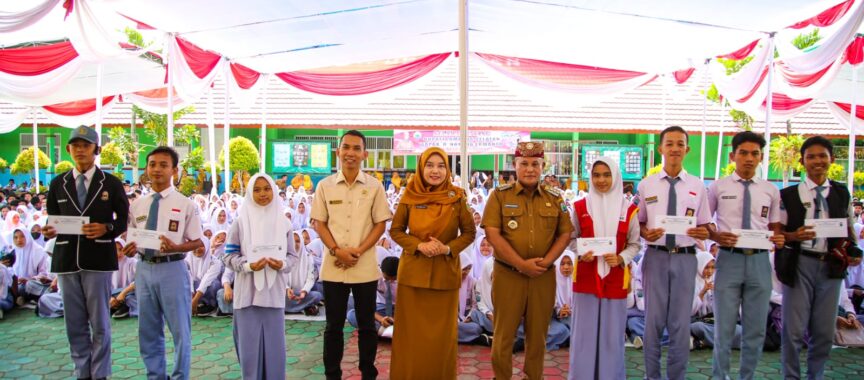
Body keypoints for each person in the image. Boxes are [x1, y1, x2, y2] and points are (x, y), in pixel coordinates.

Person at [42, 125, 130, 380]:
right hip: (67, 259)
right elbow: (53, 219)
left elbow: (124, 220)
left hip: (98, 259)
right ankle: (82, 372)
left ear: (96, 150)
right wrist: (49, 231)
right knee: (74, 323)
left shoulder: (111, 183)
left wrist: (107, 228)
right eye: (76, 146)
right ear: (68, 149)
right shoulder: (58, 183)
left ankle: (100, 373)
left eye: (86, 145)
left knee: (100, 322)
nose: (80, 150)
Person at [481, 141, 574, 379]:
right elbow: (492, 233)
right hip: (508, 275)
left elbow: (565, 233)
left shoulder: (555, 198)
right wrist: (521, 265)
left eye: (535, 164)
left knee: (538, 335)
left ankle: (534, 376)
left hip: (543, 276)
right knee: (503, 335)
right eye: (524, 164)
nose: (530, 169)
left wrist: (546, 262)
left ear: (543, 165)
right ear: (515, 165)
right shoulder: (499, 196)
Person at [775, 136, 863, 379]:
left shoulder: (841, 193)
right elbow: (778, 234)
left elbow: (848, 227)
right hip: (799, 264)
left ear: (832, 160)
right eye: (811, 156)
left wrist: (854, 251)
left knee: (824, 331)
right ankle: (791, 376)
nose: (817, 161)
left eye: (822, 156)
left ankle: (816, 375)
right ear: (802, 162)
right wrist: (794, 235)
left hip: (832, 266)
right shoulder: (788, 195)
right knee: (793, 330)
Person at [388, 147, 477, 379]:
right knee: (411, 337)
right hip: (413, 277)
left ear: (447, 169)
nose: (435, 171)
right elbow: (396, 230)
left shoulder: (457, 196)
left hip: (444, 276)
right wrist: (418, 245)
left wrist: (448, 248)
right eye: (430, 165)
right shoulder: (409, 194)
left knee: (441, 339)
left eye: (440, 166)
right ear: (421, 167)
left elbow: (469, 233)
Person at [311, 130, 392, 380]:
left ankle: (368, 373)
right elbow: (319, 223)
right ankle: (332, 375)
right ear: (338, 152)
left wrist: (357, 250)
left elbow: (380, 223)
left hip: (364, 266)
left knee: (367, 325)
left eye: (357, 148)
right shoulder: (324, 186)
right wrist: (337, 251)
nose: (351, 153)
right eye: (346, 147)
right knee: (333, 327)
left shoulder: (374, 186)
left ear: (365, 154)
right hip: (334, 267)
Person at [706, 131, 785, 378]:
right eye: (743, 153)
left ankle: (746, 376)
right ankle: (721, 375)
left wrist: (779, 238)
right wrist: (716, 236)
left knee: (755, 329)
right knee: (724, 328)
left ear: (761, 157)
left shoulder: (771, 190)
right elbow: (705, 222)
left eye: (755, 154)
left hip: (760, 261)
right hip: (728, 259)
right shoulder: (718, 187)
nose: (749, 158)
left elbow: (775, 228)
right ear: (733, 156)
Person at [121, 146, 204, 380]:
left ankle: (179, 376)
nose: (157, 169)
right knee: (147, 330)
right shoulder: (137, 204)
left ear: (174, 171)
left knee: (180, 331)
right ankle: (155, 375)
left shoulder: (186, 204)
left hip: (172, 269)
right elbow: (133, 237)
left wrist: (176, 247)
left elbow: (199, 243)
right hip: (144, 269)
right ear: (146, 169)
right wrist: (129, 249)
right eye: (152, 164)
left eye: (163, 165)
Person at [635, 126, 711, 380]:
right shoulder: (647, 185)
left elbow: (707, 224)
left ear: (687, 149)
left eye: (680, 144)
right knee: (653, 323)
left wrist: (703, 232)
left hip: (685, 257)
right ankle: (652, 376)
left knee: (680, 324)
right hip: (655, 256)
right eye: (670, 144)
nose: (675, 148)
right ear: (660, 149)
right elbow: (640, 223)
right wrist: (646, 233)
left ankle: (676, 376)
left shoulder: (698, 186)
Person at [568, 157, 640, 379]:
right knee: (584, 335)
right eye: (596, 175)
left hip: (615, 277)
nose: (601, 180)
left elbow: (635, 243)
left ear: (616, 177)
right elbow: (571, 239)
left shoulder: (629, 210)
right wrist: (582, 252)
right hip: (587, 277)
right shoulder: (580, 207)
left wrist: (621, 258)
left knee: (612, 335)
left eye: (607, 175)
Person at [223, 173, 297, 380]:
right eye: (256, 190)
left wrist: (281, 264)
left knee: (275, 352)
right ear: (249, 193)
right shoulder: (240, 222)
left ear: (274, 190)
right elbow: (228, 256)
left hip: (273, 296)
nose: (263, 194)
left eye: (266, 189)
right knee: (249, 353)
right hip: (247, 296)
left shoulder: (284, 223)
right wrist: (247, 266)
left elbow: (292, 256)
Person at [285, 231, 323, 315]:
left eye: (298, 241)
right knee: (275, 296)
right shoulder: (284, 257)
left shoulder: (308, 257)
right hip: (286, 294)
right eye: (292, 241)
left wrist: (304, 292)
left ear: (301, 242)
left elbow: (311, 279)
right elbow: (280, 277)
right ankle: (305, 307)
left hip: (301, 294)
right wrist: (287, 289)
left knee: (317, 295)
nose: (295, 244)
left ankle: (288, 308)